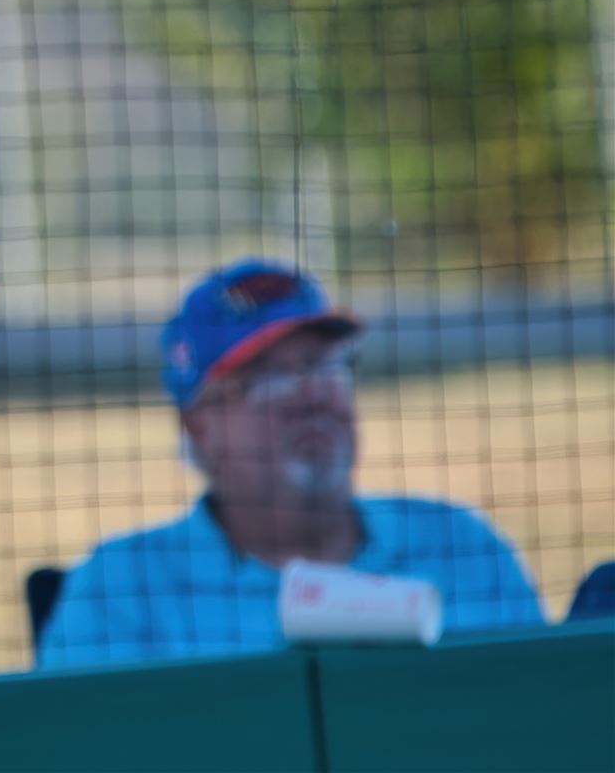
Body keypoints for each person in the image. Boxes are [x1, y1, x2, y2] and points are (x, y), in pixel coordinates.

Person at [36, 257, 544, 670]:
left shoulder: (462, 548)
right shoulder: (124, 592)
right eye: (270, 377)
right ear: (199, 429)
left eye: (327, 365)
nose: (315, 392)